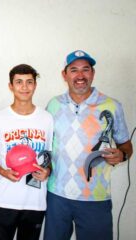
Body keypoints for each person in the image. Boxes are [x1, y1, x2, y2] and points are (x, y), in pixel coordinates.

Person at [43, 50, 133, 240]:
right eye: (74, 70)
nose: (80, 76)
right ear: (64, 75)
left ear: (92, 73)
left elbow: (126, 145)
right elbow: (46, 147)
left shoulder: (112, 105)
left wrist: (122, 155)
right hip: (57, 196)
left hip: (95, 197)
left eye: (85, 70)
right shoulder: (53, 105)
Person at [0, 64, 53, 240]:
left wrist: (47, 171)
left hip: (35, 201)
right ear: (11, 86)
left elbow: (48, 155)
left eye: (29, 82)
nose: (24, 87)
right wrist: (2, 172)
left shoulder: (46, 118)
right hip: (5, 198)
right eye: (19, 82)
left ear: (35, 85)